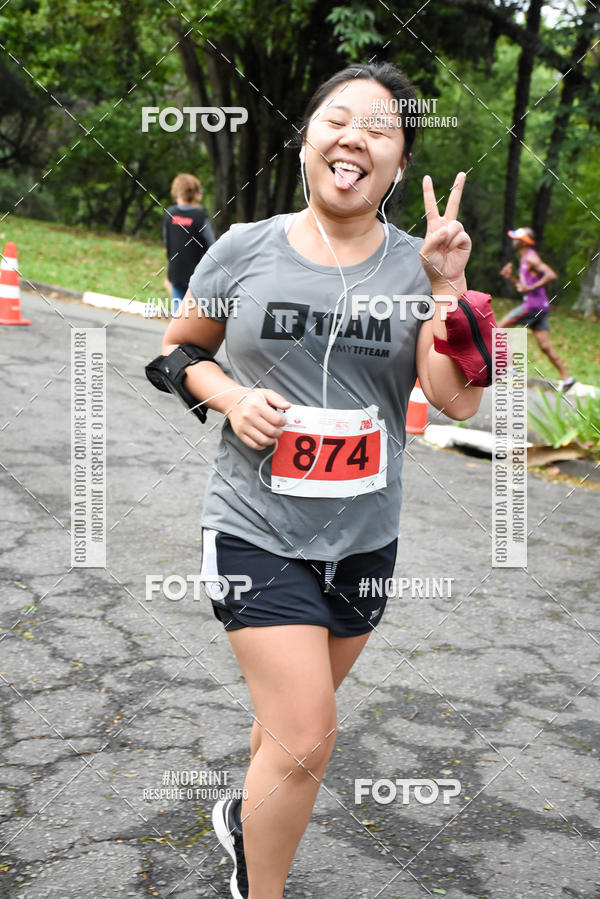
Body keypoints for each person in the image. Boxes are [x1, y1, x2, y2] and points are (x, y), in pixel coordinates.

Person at [154, 63, 493, 899]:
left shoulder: (423, 268)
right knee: (308, 733)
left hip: (365, 538)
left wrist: (450, 288)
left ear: (401, 164)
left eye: (380, 128)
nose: (355, 138)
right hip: (251, 526)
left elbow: (459, 398)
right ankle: (257, 888)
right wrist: (230, 396)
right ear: (305, 140)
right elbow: (176, 353)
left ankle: (243, 818)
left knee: (288, 728)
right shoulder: (241, 248)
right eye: (337, 120)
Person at [499, 227, 575, 392]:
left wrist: (532, 286)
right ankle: (567, 378)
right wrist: (511, 278)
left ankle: (512, 368)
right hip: (541, 306)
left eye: (516, 237)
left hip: (532, 306)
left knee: (498, 329)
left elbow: (551, 275)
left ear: (524, 241)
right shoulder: (526, 258)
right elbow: (525, 288)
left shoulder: (531, 258)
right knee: (545, 346)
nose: (513, 240)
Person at [162, 173, 215, 315]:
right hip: (196, 273)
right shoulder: (200, 217)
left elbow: (167, 242)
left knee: (178, 308)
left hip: (175, 270)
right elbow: (211, 245)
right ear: (196, 194)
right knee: (193, 311)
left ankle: (176, 334)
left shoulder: (170, 213)